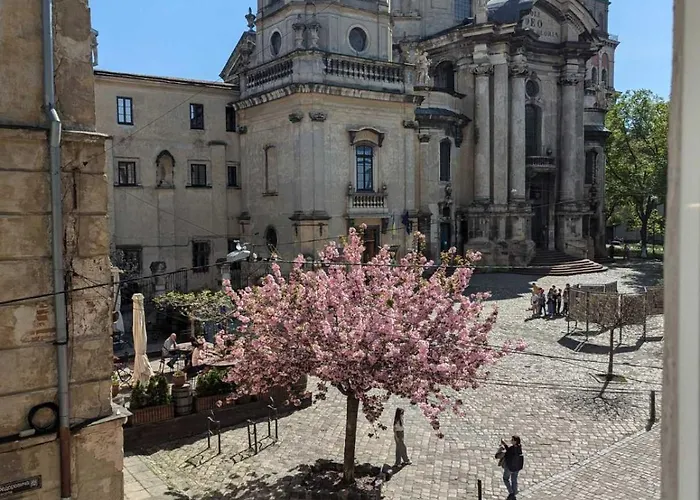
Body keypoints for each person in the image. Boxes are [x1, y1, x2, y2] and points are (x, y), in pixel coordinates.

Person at [501, 435, 524, 500]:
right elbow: (509, 450)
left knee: (505, 479)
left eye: (512, 440)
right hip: (517, 467)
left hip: (510, 467)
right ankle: (514, 492)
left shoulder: (512, 448)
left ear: (515, 441)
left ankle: (511, 492)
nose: (511, 440)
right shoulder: (519, 448)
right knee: (514, 479)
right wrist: (505, 444)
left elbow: (507, 452)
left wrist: (504, 445)